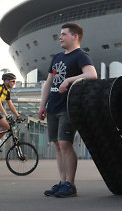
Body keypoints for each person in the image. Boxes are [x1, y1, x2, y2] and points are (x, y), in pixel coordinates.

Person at [39, 23, 97, 198]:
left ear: (75, 36)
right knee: (57, 144)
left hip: (68, 106)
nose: (60, 37)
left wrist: (68, 80)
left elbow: (92, 74)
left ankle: (70, 184)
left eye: (64, 34)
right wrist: (42, 105)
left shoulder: (81, 56)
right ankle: (62, 181)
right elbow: (49, 82)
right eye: (60, 34)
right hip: (53, 107)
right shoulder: (57, 57)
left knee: (65, 143)